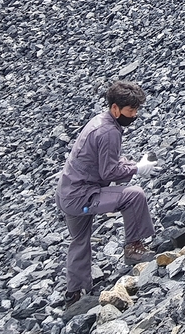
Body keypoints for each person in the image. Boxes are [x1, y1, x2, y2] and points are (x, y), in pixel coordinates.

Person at [56, 81, 158, 307]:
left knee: (79, 240)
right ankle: (134, 249)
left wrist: (131, 164)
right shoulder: (109, 131)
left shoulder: (99, 122)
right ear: (115, 108)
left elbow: (104, 162)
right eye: (131, 111)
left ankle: (75, 294)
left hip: (66, 192)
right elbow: (109, 170)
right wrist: (137, 168)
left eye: (136, 110)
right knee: (134, 195)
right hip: (83, 196)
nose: (134, 115)